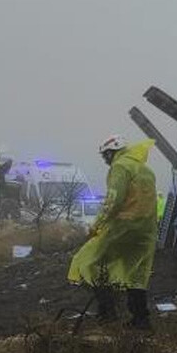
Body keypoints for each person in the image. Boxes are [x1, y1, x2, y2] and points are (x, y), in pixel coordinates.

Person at [68, 136, 158, 330]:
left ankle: (107, 312)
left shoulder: (120, 168)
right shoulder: (146, 170)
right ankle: (141, 319)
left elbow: (113, 201)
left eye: (105, 156)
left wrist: (96, 226)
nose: (105, 160)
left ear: (111, 152)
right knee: (136, 274)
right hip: (146, 231)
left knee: (86, 262)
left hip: (123, 228)